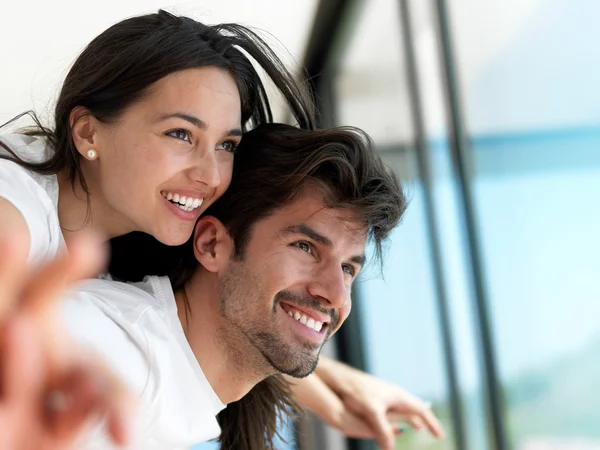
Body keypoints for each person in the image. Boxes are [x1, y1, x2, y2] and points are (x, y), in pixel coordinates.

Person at [0, 10, 441, 449]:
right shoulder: (14, 212)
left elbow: (218, 328)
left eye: (226, 144)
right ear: (87, 131)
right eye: (180, 134)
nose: (210, 173)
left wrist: (322, 367)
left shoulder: (124, 244)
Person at [57, 123, 441, 450]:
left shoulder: (175, 379)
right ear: (212, 245)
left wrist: (339, 381)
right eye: (305, 247)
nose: (336, 294)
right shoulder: (108, 353)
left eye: (347, 269)